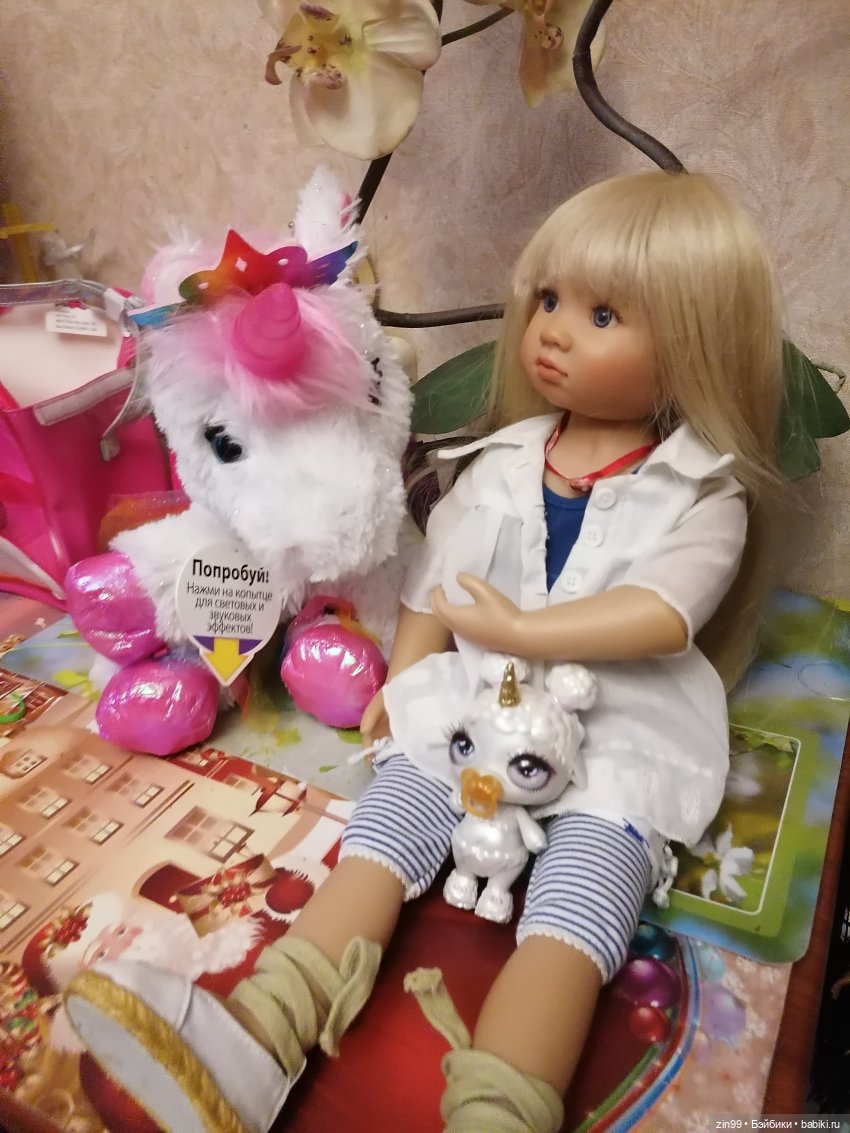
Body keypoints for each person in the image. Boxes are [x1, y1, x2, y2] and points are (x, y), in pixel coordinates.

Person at [64, 169, 786, 1133]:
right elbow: (433, 581)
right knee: (383, 831)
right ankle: (261, 1032)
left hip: (622, 731)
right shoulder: (499, 462)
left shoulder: (702, 493)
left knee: (576, 912)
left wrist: (523, 631)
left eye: (603, 314)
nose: (553, 332)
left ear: (697, 341)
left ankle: (501, 1105)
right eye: (549, 300)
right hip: (475, 699)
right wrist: (407, 679)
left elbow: (662, 613)